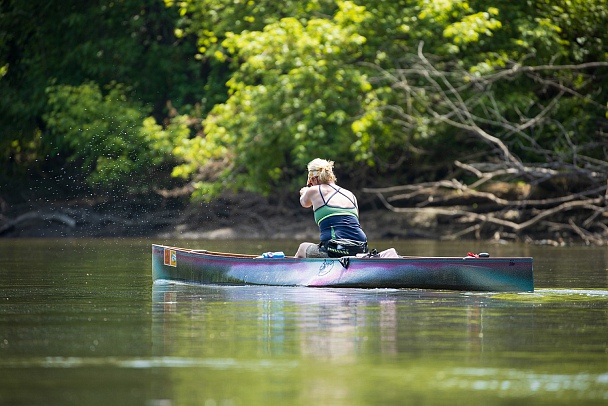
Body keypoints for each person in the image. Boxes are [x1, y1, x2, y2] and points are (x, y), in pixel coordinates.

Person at [295, 158, 368, 258]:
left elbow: (304, 203)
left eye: (311, 182)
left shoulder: (313, 191)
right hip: (361, 248)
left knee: (302, 248)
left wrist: (305, 191)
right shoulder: (350, 195)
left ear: (314, 179)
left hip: (337, 248)